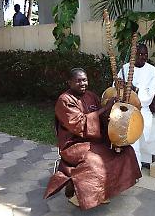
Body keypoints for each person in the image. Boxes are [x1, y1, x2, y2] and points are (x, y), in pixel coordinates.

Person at [43, 68, 141, 210]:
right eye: (78, 81)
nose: (83, 83)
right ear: (69, 82)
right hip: (74, 144)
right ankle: (81, 195)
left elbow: (101, 117)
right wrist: (104, 108)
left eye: (85, 80)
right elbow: (80, 124)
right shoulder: (64, 100)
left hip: (95, 139)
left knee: (125, 152)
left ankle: (105, 190)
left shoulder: (91, 95)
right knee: (95, 161)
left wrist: (112, 111)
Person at [117, 44, 155, 169]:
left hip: (141, 110)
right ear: (133, 55)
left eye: (145, 54)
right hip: (123, 109)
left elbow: (150, 96)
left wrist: (134, 90)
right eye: (140, 54)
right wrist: (120, 85)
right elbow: (116, 88)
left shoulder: (152, 71)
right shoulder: (125, 69)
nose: (143, 57)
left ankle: (136, 168)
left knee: (132, 135)